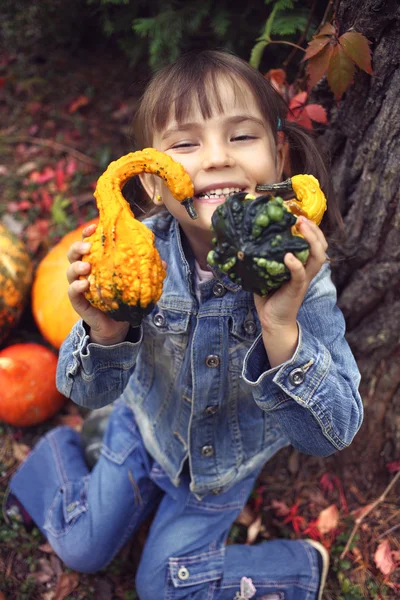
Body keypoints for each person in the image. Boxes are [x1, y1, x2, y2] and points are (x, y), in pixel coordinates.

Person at [8, 50, 363, 600]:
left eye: (241, 137)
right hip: (142, 434)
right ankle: (56, 455)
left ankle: (296, 567)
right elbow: (87, 392)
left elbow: (330, 434)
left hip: (220, 471)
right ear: (153, 181)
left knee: (164, 591)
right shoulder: (134, 258)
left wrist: (279, 324)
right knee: (81, 549)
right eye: (185, 144)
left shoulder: (300, 278)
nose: (217, 158)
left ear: (280, 154)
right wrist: (105, 333)